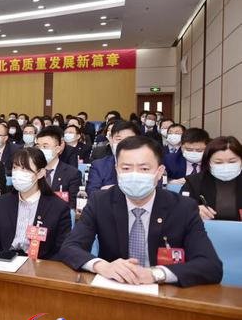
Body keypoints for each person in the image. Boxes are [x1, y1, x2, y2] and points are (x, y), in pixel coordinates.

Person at [59, 135, 223, 288]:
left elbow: (210, 266)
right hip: (114, 287)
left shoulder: (183, 208)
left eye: (144, 169)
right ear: (117, 170)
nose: (134, 175)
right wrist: (102, 266)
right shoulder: (100, 201)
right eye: (126, 168)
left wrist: (156, 274)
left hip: (164, 292)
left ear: (159, 172)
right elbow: (70, 247)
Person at [0, 147, 71, 258]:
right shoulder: (2, 203)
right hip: (5, 261)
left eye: (24, 169)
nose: (18, 173)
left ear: (40, 173)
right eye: (15, 168)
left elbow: (60, 249)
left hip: (39, 263)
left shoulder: (58, 207)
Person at [181, 136, 242, 221]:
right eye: (218, 162)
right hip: (204, 228)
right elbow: (180, 208)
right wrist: (193, 210)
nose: (225, 167)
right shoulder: (194, 182)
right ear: (208, 162)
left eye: (232, 161)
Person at [86, 121, 140, 194]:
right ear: (111, 140)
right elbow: (92, 193)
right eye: (119, 139)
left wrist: (111, 190)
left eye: (129, 140)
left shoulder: (145, 165)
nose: (123, 144)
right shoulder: (99, 166)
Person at [35, 126, 82, 209]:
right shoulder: (32, 171)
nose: (41, 150)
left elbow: (73, 205)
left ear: (57, 149)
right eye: (38, 147)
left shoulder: (72, 174)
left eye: (45, 146)